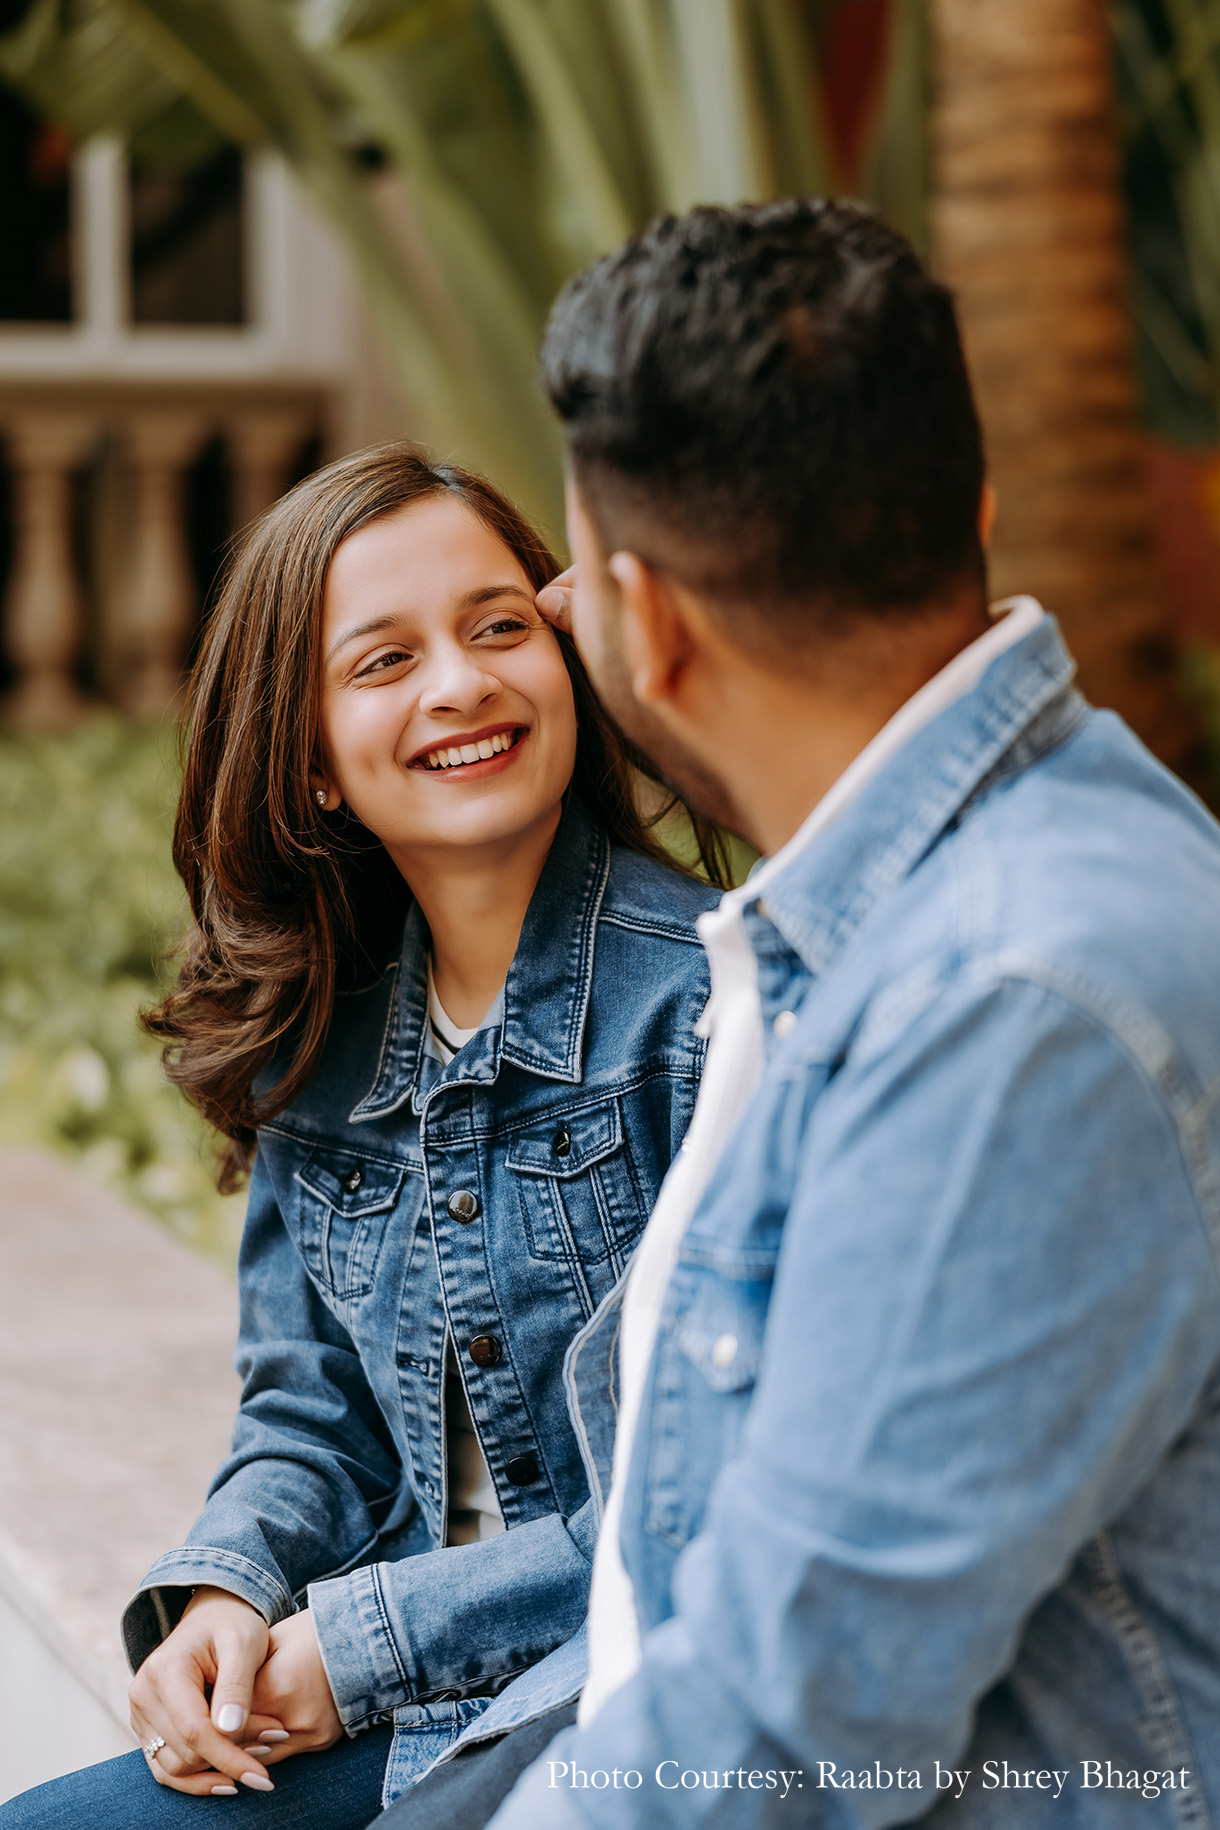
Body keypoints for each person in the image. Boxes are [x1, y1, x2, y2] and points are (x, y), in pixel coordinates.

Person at [373, 198, 1220, 1829]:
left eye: (565, 589)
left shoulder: (1009, 1009)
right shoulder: (949, 883)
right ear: (969, 504)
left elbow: (780, 1730)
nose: (542, 628)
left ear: (657, 623)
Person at [0, 445, 727, 1828]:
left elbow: (701, 1510)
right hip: (395, 1703)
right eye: (382, 660)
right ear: (314, 759)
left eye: (499, 626)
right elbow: (309, 1412)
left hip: (621, 1710)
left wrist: (367, 1640)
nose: (459, 681)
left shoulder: (699, 1013)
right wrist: (225, 1583)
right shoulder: (318, 1042)